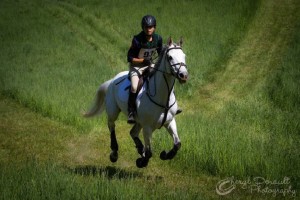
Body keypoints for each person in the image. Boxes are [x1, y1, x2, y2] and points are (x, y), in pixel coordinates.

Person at [127, 15, 182, 124]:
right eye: (146, 27)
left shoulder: (158, 39)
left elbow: (161, 54)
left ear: (154, 27)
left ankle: (173, 106)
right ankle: (131, 111)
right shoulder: (137, 40)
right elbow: (130, 58)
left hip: (150, 64)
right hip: (136, 66)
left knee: (165, 78)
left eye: (151, 27)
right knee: (134, 86)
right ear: (143, 27)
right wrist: (142, 61)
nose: (149, 29)